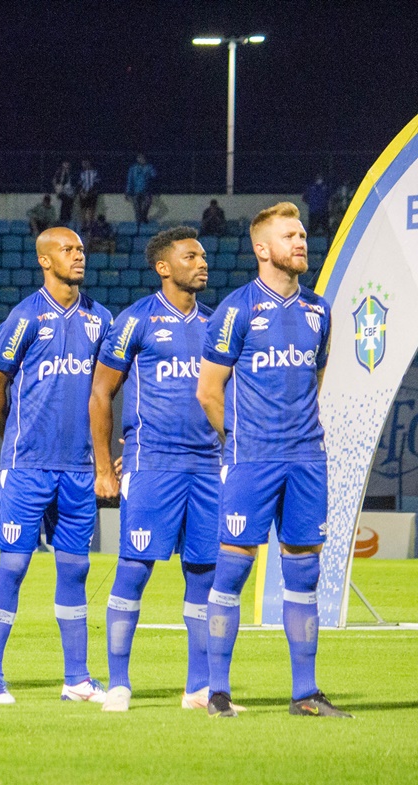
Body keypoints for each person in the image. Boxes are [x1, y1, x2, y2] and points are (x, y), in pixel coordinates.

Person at [196, 202, 349, 718]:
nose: (301, 241)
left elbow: (315, 378)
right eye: (290, 235)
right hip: (251, 461)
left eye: (303, 233)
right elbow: (208, 391)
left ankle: (304, 694)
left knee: (304, 575)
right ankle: (218, 692)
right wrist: (241, 441)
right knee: (232, 573)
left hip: (307, 459)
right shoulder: (237, 310)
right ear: (263, 249)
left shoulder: (319, 310)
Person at [89, 226, 224, 712]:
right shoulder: (135, 322)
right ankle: (120, 683)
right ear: (164, 267)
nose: (202, 262)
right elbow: (101, 392)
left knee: (204, 575)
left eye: (204, 255)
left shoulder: (216, 325)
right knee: (134, 570)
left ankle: (198, 688)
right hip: (153, 466)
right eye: (191, 256)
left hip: (209, 467)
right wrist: (106, 467)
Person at [0, 227, 112, 705]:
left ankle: (77, 678)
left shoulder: (101, 318)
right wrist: (14, 438)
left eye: (80, 248)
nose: (79, 255)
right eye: (68, 250)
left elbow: (107, 394)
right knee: (13, 566)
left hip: (78, 469)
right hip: (29, 467)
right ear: (45, 261)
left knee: (74, 569)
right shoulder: (25, 317)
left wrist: (102, 457)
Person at [125, 153, 156, 226]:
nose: (141, 160)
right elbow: (130, 180)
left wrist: (149, 168)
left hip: (146, 191)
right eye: (140, 158)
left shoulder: (149, 167)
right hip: (136, 191)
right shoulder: (133, 168)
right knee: (137, 208)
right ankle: (138, 225)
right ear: (137, 159)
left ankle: (144, 216)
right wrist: (127, 192)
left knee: (147, 203)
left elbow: (154, 175)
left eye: (143, 158)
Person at [78, 159, 100, 227]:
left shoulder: (94, 172)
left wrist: (91, 191)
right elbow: (79, 183)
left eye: (85, 163)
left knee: (91, 208)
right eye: (83, 163)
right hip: (83, 193)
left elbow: (97, 183)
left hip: (92, 193)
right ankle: (83, 223)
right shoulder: (82, 173)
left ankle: (90, 223)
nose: (84, 165)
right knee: (83, 208)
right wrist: (82, 192)